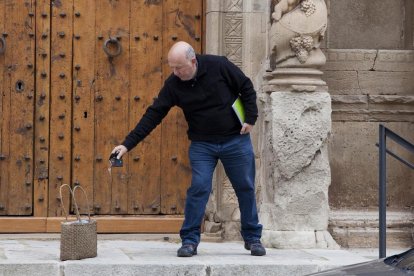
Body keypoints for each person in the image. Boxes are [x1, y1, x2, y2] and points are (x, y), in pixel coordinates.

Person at [111, 41, 265, 257]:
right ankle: (190, 240)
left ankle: (252, 238)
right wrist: (127, 144)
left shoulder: (218, 66)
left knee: (245, 187)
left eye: (179, 67)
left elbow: (246, 87)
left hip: (235, 140)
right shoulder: (174, 83)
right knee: (199, 188)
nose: (175, 72)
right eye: (172, 67)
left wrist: (251, 118)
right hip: (203, 144)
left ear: (193, 61)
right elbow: (154, 114)